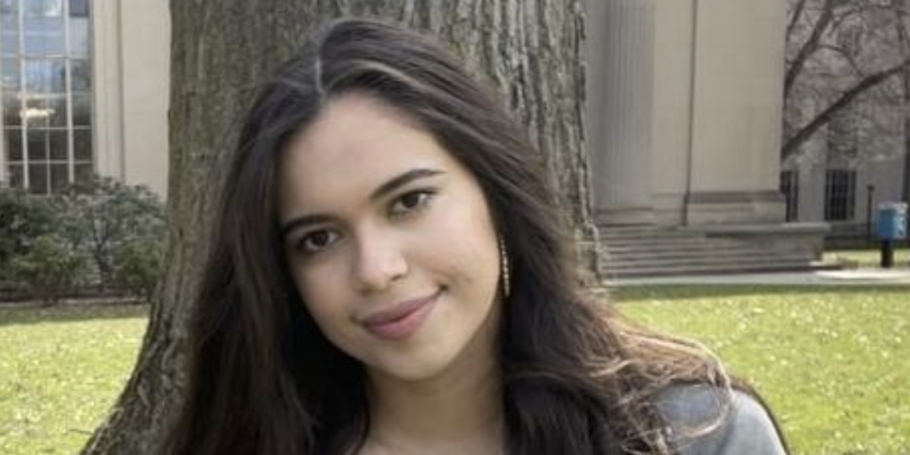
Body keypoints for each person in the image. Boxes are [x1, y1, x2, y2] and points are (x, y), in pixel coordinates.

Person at [165, 17, 789, 455]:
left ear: (495, 194)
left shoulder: (698, 437)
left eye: (409, 201)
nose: (376, 269)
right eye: (318, 239)